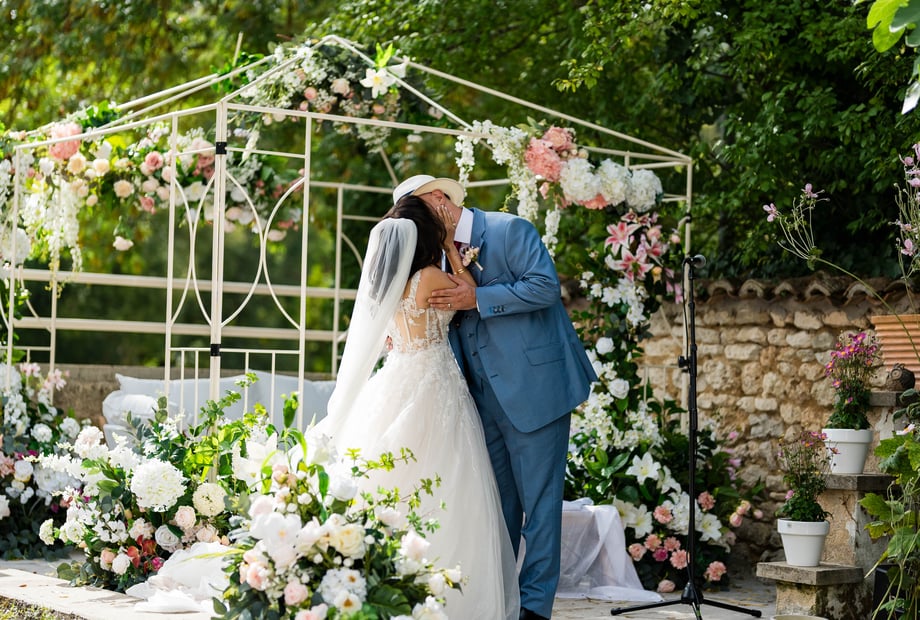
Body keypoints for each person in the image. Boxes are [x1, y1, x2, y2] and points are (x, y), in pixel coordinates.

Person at [392, 174, 597, 620]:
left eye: (419, 215)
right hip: (474, 397)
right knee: (494, 505)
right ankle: (498, 598)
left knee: (540, 506)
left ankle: (534, 608)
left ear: (438, 198)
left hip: (533, 388)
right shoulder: (435, 253)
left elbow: (545, 287)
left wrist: (479, 297)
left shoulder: (509, 229)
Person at [318, 195, 520, 619]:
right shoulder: (429, 276)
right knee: (445, 472)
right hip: (434, 378)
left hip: (398, 372)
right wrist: (452, 250)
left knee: (394, 467)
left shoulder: (385, 285)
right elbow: (471, 293)